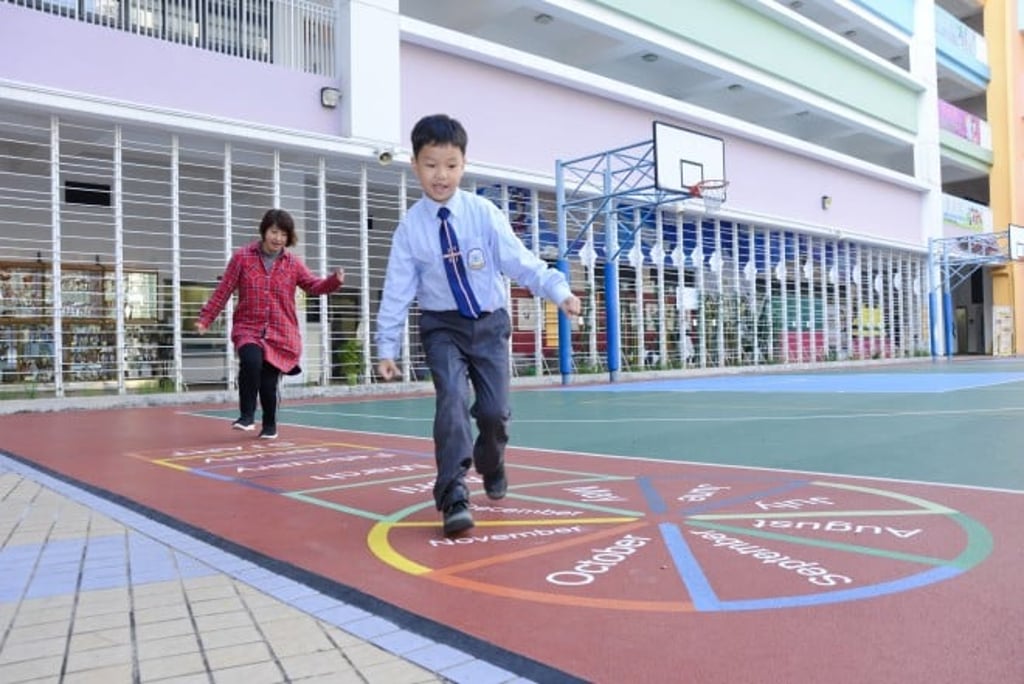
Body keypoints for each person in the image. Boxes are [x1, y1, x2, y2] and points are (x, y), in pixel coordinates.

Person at [375, 114, 581, 536]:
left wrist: (559, 292)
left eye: (451, 165)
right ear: (414, 165)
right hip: (441, 327)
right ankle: (453, 494)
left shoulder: (483, 213)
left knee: (494, 413)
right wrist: (386, 346)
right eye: (431, 164)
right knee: (450, 400)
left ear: (464, 164)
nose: (441, 175)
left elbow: (520, 262)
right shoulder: (410, 228)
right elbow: (397, 289)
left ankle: (491, 460)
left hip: (489, 324)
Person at [196, 208, 344, 439]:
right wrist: (206, 319)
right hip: (248, 327)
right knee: (251, 361)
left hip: (280, 331)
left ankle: (269, 425)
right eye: (274, 232)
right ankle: (246, 416)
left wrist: (333, 282)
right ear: (264, 231)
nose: (278, 238)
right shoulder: (242, 258)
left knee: (268, 383)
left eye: (284, 234)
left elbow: (313, 285)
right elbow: (223, 290)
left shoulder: (293, 263)